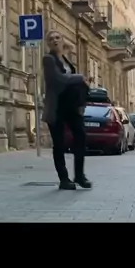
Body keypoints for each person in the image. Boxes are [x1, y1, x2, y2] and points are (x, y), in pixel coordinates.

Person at [42, 31, 92, 190]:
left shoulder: (65, 60)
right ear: (48, 43)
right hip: (56, 106)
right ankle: (64, 179)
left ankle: (79, 175)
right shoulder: (48, 59)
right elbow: (58, 79)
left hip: (71, 106)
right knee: (59, 144)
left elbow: (71, 83)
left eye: (58, 37)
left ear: (62, 40)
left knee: (81, 137)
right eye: (51, 39)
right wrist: (79, 77)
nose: (55, 40)